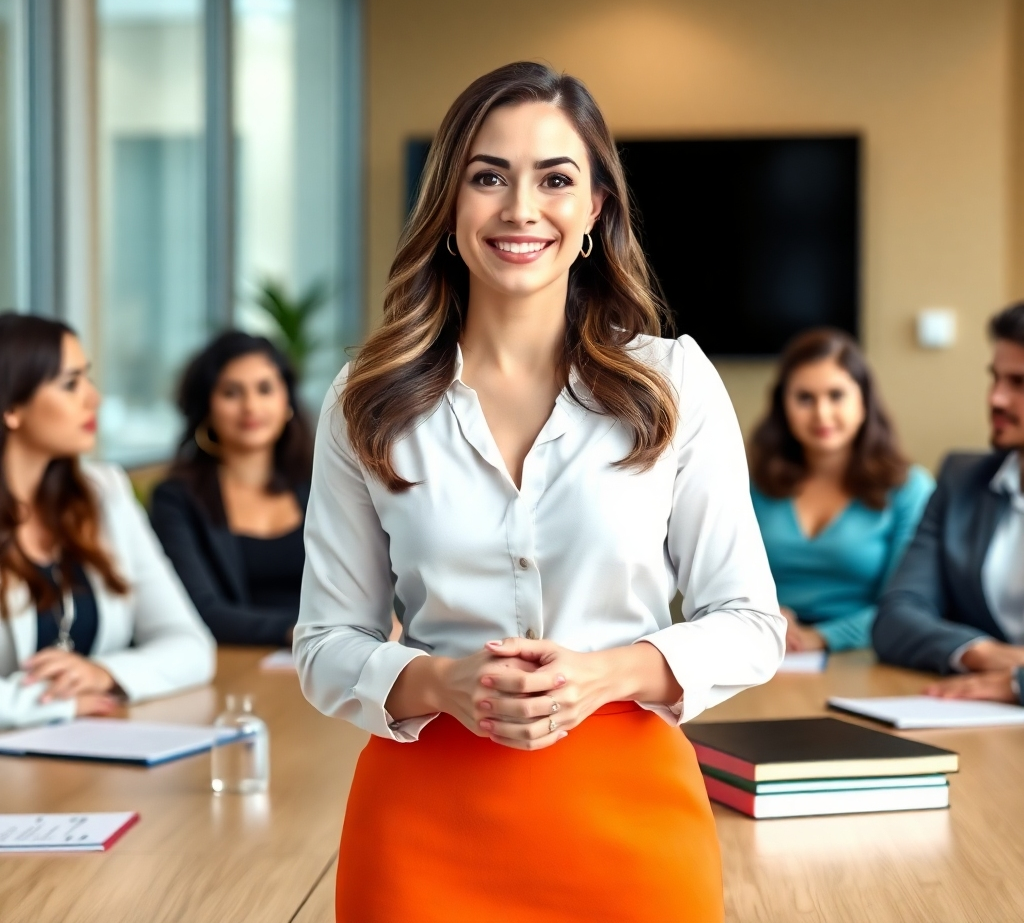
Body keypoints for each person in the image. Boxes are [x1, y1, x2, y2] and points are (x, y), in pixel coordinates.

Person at [294, 62, 785, 923]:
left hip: (632, 825)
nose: (522, 208)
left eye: (555, 179)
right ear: (449, 203)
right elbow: (325, 642)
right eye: (489, 176)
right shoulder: (364, 399)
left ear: (594, 208)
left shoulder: (673, 382)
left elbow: (749, 623)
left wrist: (605, 674)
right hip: (421, 830)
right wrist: (441, 682)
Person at [0, 312, 215, 730]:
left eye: (87, 378)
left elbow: (192, 646)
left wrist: (105, 673)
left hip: (91, 756)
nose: (93, 399)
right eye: (70, 384)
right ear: (10, 406)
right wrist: (49, 703)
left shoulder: (105, 493)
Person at [874, 301, 1024, 707]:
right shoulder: (962, 479)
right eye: (995, 379)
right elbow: (896, 617)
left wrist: (1020, 682)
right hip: (979, 721)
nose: (996, 398)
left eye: (1018, 383)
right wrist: (982, 652)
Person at [748, 329, 934, 653]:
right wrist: (765, 618)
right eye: (805, 398)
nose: (822, 413)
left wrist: (822, 637)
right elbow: (724, 586)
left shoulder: (909, 489)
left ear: (863, 400)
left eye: (836, 395)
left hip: (870, 654)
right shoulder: (752, 484)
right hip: (768, 649)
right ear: (783, 405)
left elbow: (906, 605)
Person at [150, 332, 313, 647]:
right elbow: (199, 610)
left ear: (287, 402)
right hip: (231, 665)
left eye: (265, 389)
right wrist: (305, 631)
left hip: (329, 664)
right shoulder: (176, 499)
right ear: (206, 406)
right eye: (231, 392)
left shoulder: (322, 485)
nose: (250, 406)